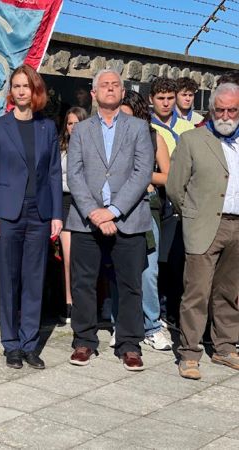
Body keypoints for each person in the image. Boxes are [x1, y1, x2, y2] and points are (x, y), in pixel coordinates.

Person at [66, 69, 153, 371]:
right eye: (104, 85)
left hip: (127, 219)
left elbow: (142, 174)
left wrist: (113, 210)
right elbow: (74, 175)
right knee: (84, 283)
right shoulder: (81, 130)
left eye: (116, 85)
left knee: (130, 285)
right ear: (93, 93)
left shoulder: (139, 128)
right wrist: (94, 212)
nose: (110, 89)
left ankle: (129, 344)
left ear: (122, 90)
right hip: (86, 220)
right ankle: (84, 341)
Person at [0, 64, 63, 369]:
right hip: (7, 215)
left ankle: (30, 344)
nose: (20, 91)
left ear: (35, 91)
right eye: (15, 86)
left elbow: (54, 174)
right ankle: (11, 344)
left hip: (39, 214)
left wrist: (56, 214)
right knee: (10, 280)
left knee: (34, 280)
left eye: (25, 86)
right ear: (11, 92)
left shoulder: (47, 128)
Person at [167, 82, 239, 380]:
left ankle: (224, 346)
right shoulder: (192, 139)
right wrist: (193, 215)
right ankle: (190, 352)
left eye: (232, 110)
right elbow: (175, 186)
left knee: (230, 292)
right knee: (196, 291)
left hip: (237, 226)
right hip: (204, 226)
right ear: (210, 109)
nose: (225, 115)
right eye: (219, 109)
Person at [120, 90, 172, 351]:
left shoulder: (154, 137)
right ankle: (121, 323)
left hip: (146, 207)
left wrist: (143, 176)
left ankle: (152, 324)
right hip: (117, 208)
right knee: (119, 268)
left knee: (148, 269)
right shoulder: (110, 137)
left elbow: (168, 177)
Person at [149, 77, 194, 327]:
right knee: (161, 258)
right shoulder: (148, 128)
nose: (166, 103)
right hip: (162, 198)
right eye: (161, 99)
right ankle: (163, 309)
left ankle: (175, 310)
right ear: (151, 100)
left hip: (187, 199)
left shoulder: (189, 127)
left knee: (182, 259)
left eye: (169, 98)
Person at [58, 106, 88, 323]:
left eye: (77, 123)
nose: (73, 127)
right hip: (65, 203)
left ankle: (84, 302)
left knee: (83, 259)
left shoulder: (92, 148)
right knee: (68, 258)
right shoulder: (61, 148)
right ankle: (69, 303)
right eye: (70, 123)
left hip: (85, 205)